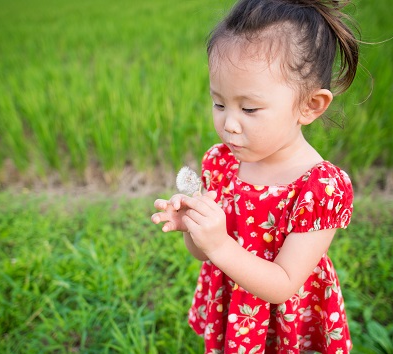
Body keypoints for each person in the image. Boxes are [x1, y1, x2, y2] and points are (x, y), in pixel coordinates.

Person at [151, 0, 360, 352]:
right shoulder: (221, 162)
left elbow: (283, 284)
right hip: (235, 309)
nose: (229, 124)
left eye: (249, 108)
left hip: (286, 320)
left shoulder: (320, 188)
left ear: (309, 106)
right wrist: (197, 228)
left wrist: (219, 244)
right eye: (219, 104)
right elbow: (204, 254)